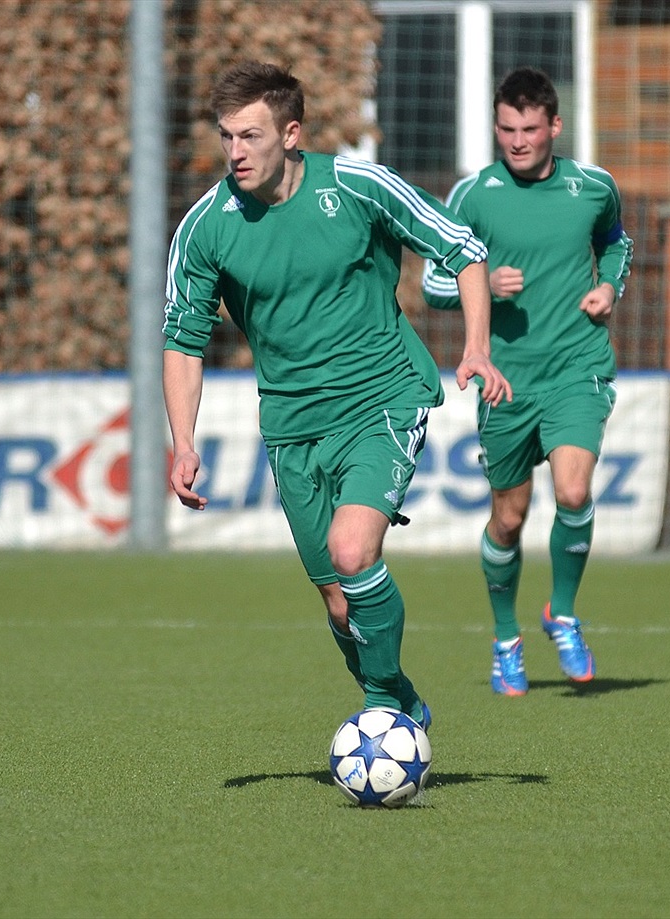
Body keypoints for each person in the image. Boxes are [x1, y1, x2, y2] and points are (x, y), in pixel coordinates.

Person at [162, 60, 512, 728]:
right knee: (339, 600)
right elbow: (182, 340)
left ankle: (381, 708)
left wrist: (475, 346)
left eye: (251, 136)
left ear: (291, 134)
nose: (235, 152)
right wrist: (182, 442)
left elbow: (462, 249)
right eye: (227, 136)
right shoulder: (206, 227)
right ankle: (397, 692)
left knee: (354, 551)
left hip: (380, 396)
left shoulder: (356, 184)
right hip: (291, 424)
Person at [423, 66, 633, 695]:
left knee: (573, 492)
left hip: (577, 367)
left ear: (554, 127)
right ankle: (506, 637)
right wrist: (480, 283)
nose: (517, 141)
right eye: (506, 129)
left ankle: (562, 614)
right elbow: (434, 283)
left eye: (529, 129)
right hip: (505, 382)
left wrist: (606, 287)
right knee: (508, 521)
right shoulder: (473, 195)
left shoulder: (593, 187)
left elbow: (616, 244)